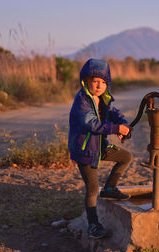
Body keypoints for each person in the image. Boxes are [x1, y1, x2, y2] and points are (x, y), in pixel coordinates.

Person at [68, 58, 132, 239]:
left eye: (103, 82)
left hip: (100, 146)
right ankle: (93, 224)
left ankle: (110, 189)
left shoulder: (104, 99)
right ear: (86, 81)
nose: (99, 85)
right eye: (95, 81)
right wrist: (115, 129)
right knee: (93, 188)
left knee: (126, 157)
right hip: (85, 150)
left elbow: (115, 113)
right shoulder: (82, 100)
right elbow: (92, 124)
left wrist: (123, 125)